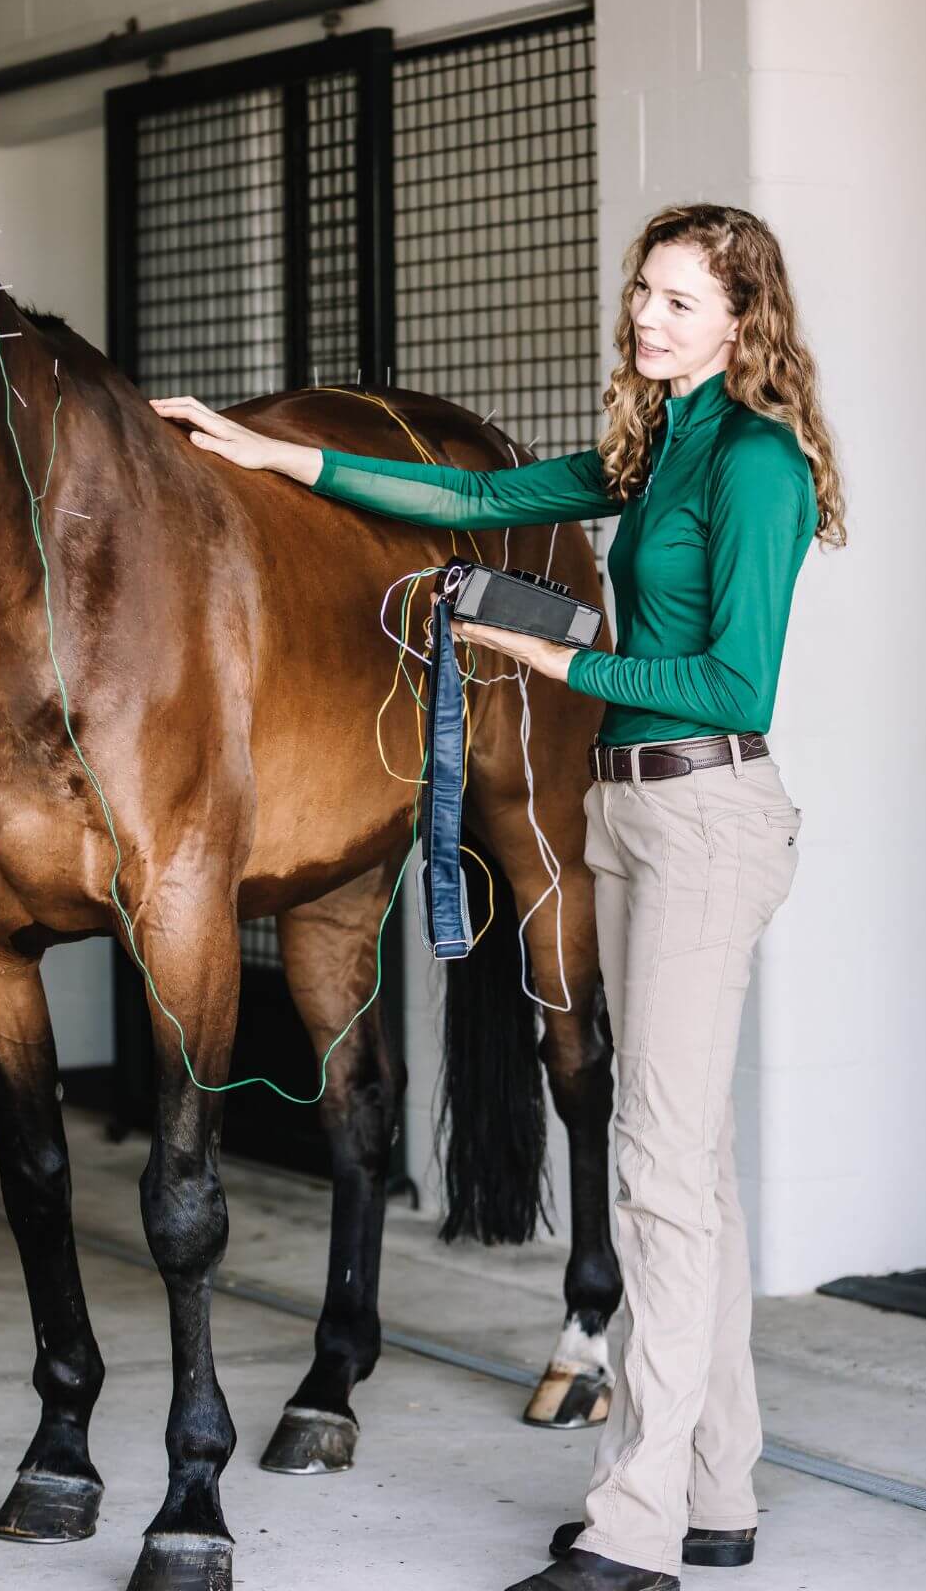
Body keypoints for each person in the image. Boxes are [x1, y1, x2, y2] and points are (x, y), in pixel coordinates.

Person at [149, 203, 845, 1591]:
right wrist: (265, 451)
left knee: (654, 1178)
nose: (649, 320)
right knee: (689, 1164)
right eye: (644, 293)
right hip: (634, 814)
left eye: (684, 305)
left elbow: (733, 685)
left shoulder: (757, 463)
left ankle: (636, 1527)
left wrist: (544, 658)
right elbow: (472, 500)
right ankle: (719, 1490)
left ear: (746, 323)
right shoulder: (655, 447)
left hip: (707, 812)